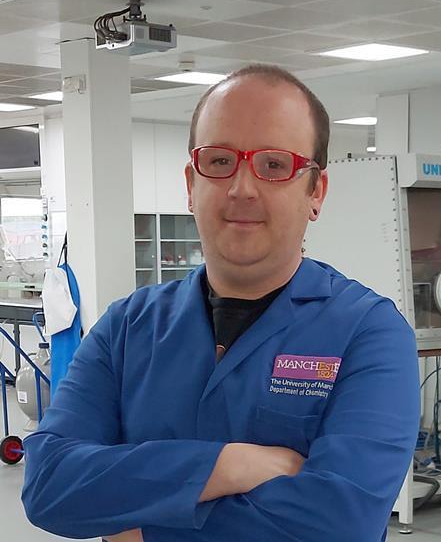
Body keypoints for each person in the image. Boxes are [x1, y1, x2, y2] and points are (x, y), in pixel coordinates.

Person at [22, 64, 420, 542]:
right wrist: (230, 465)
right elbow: (48, 483)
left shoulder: (368, 333)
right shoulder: (126, 327)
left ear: (316, 192)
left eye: (274, 165)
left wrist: (139, 525)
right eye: (219, 161)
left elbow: (341, 524)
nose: (242, 188)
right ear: (191, 184)